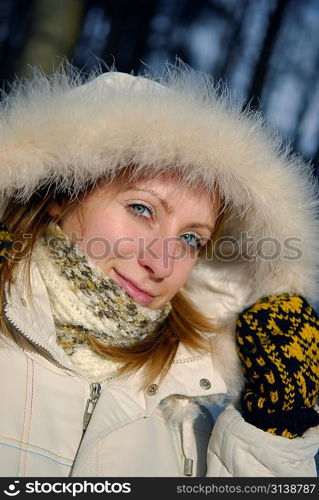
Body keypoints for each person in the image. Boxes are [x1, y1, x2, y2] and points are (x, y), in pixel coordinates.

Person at [0, 62, 318, 478]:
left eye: (191, 239)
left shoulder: (197, 406)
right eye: (141, 209)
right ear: (64, 191)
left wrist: (273, 443)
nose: (161, 263)